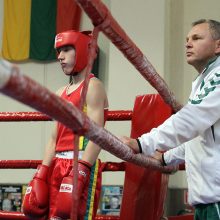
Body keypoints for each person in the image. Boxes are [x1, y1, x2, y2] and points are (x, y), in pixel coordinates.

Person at [121, 19, 220, 220]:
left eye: (197, 38)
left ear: (218, 45)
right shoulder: (203, 80)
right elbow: (200, 136)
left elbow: (190, 120)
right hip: (207, 200)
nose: (188, 43)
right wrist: (166, 157)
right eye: (187, 39)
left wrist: (143, 144)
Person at [22, 30, 108, 220]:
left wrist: (83, 169)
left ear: (84, 51)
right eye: (58, 51)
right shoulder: (60, 92)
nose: (60, 57)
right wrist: (42, 171)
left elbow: (98, 135)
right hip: (58, 165)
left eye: (67, 49)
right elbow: (54, 138)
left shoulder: (93, 86)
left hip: (81, 163)